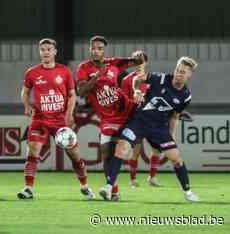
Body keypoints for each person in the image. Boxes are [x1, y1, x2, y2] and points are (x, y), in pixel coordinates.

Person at [100, 56, 200, 202]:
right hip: (139, 122)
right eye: (178, 70)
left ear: (189, 75)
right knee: (121, 148)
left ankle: (188, 192)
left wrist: (171, 135)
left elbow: (174, 116)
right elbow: (138, 79)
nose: (179, 73)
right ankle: (108, 187)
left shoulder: (185, 96)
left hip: (159, 129)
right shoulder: (159, 78)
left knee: (176, 159)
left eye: (183, 72)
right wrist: (136, 91)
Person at [17, 38, 94, 200]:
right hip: (40, 119)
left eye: (48, 49)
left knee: (74, 155)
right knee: (33, 151)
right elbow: (24, 92)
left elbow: (72, 95)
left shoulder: (65, 71)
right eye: (43, 49)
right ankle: (28, 188)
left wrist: (69, 114)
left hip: (60, 121)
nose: (45, 52)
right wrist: (26, 105)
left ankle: (85, 186)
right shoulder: (32, 72)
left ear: (55, 52)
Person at [76, 35, 145, 201]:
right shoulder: (83, 68)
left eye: (99, 48)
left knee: (119, 150)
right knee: (106, 155)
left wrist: (139, 56)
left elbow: (138, 61)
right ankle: (113, 190)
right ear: (89, 49)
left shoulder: (113, 63)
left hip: (125, 112)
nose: (96, 51)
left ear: (103, 50)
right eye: (93, 48)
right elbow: (82, 91)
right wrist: (97, 76)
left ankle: (113, 189)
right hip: (106, 118)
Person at [120, 71, 163, 187]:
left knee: (157, 150)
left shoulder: (151, 79)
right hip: (136, 119)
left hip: (151, 119)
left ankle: (152, 178)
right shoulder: (127, 80)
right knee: (136, 152)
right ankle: (133, 180)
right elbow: (124, 99)